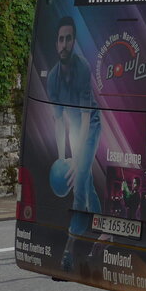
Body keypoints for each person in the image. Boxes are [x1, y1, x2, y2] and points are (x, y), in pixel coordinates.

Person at [47, 15, 102, 270]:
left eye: (69, 39)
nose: (64, 44)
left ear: (74, 41)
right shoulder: (53, 79)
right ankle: (103, 228)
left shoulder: (82, 69)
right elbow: (59, 121)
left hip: (89, 124)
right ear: (56, 43)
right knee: (86, 180)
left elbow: (82, 116)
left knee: (80, 182)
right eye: (61, 39)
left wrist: (77, 160)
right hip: (74, 125)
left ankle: (69, 251)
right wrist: (62, 159)